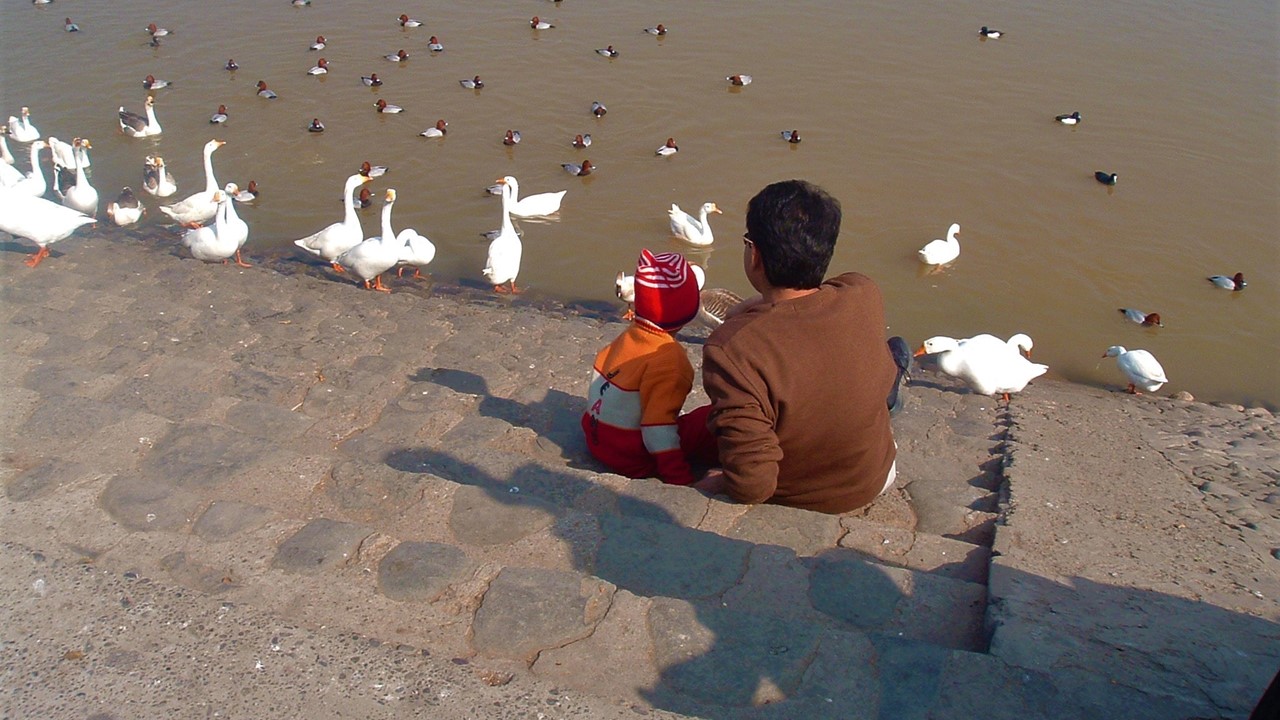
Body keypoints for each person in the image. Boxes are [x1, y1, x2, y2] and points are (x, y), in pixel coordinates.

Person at [691, 179, 899, 514]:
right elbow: (814, 294)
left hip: (808, 500)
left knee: (699, 439)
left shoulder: (733, 349)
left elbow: (753, 484)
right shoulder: (863, 291)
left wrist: (714, 482)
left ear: (754, 253)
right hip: (878, 473)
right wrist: (761, 302)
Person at [582, 249, 716, 486]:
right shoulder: (670, 359)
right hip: (632, 457)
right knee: (708, 418)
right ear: (686, 309)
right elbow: (657, 428)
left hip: (597, 441)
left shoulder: (627, 338)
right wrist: (678, 477)